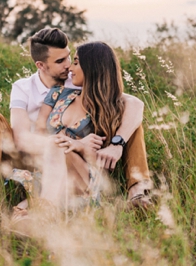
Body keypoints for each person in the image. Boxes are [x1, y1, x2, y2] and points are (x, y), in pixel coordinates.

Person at [0, 27, 152, 208]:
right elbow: (21, 139)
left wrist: (116, 144)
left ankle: (137, 190)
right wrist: (65, 144)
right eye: (60, 61)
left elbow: (134, 104)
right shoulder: (23, 87)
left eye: (68, 57)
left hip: (73, 159)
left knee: (130, 121)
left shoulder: (76, 79)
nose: (68, 65)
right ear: (41, 65)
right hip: (30, 155)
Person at [34, 41, 127, 210]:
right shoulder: (58, 93)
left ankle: (47, 210)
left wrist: (81, 147)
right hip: (47, 171)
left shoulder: (110, 109)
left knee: (58, 145)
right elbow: (38, 133)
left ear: (93, 68)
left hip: (82, 177)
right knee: (17, 218)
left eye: (76, 63)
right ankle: (43, 211)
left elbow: (102, 160)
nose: (70, 68)